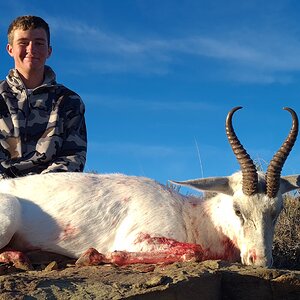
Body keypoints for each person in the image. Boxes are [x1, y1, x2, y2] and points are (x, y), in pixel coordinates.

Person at [0, 15, 87, 178]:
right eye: (23, 43)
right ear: (10, 49)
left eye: (39, 43)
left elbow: (73, 157)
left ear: (49, 51)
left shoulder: (69, 101)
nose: (31, 49)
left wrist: (40, 189)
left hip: (50, 191)